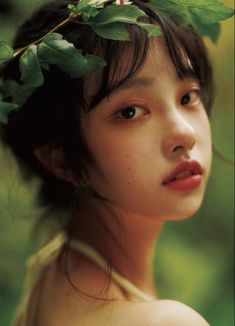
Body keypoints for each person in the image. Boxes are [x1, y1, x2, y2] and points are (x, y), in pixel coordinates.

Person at [0, 0, 233, 325]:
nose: (184, 133)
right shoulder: (168, 322)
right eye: (130, 112)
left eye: (187, 96)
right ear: (64, 159)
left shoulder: (52, 270)